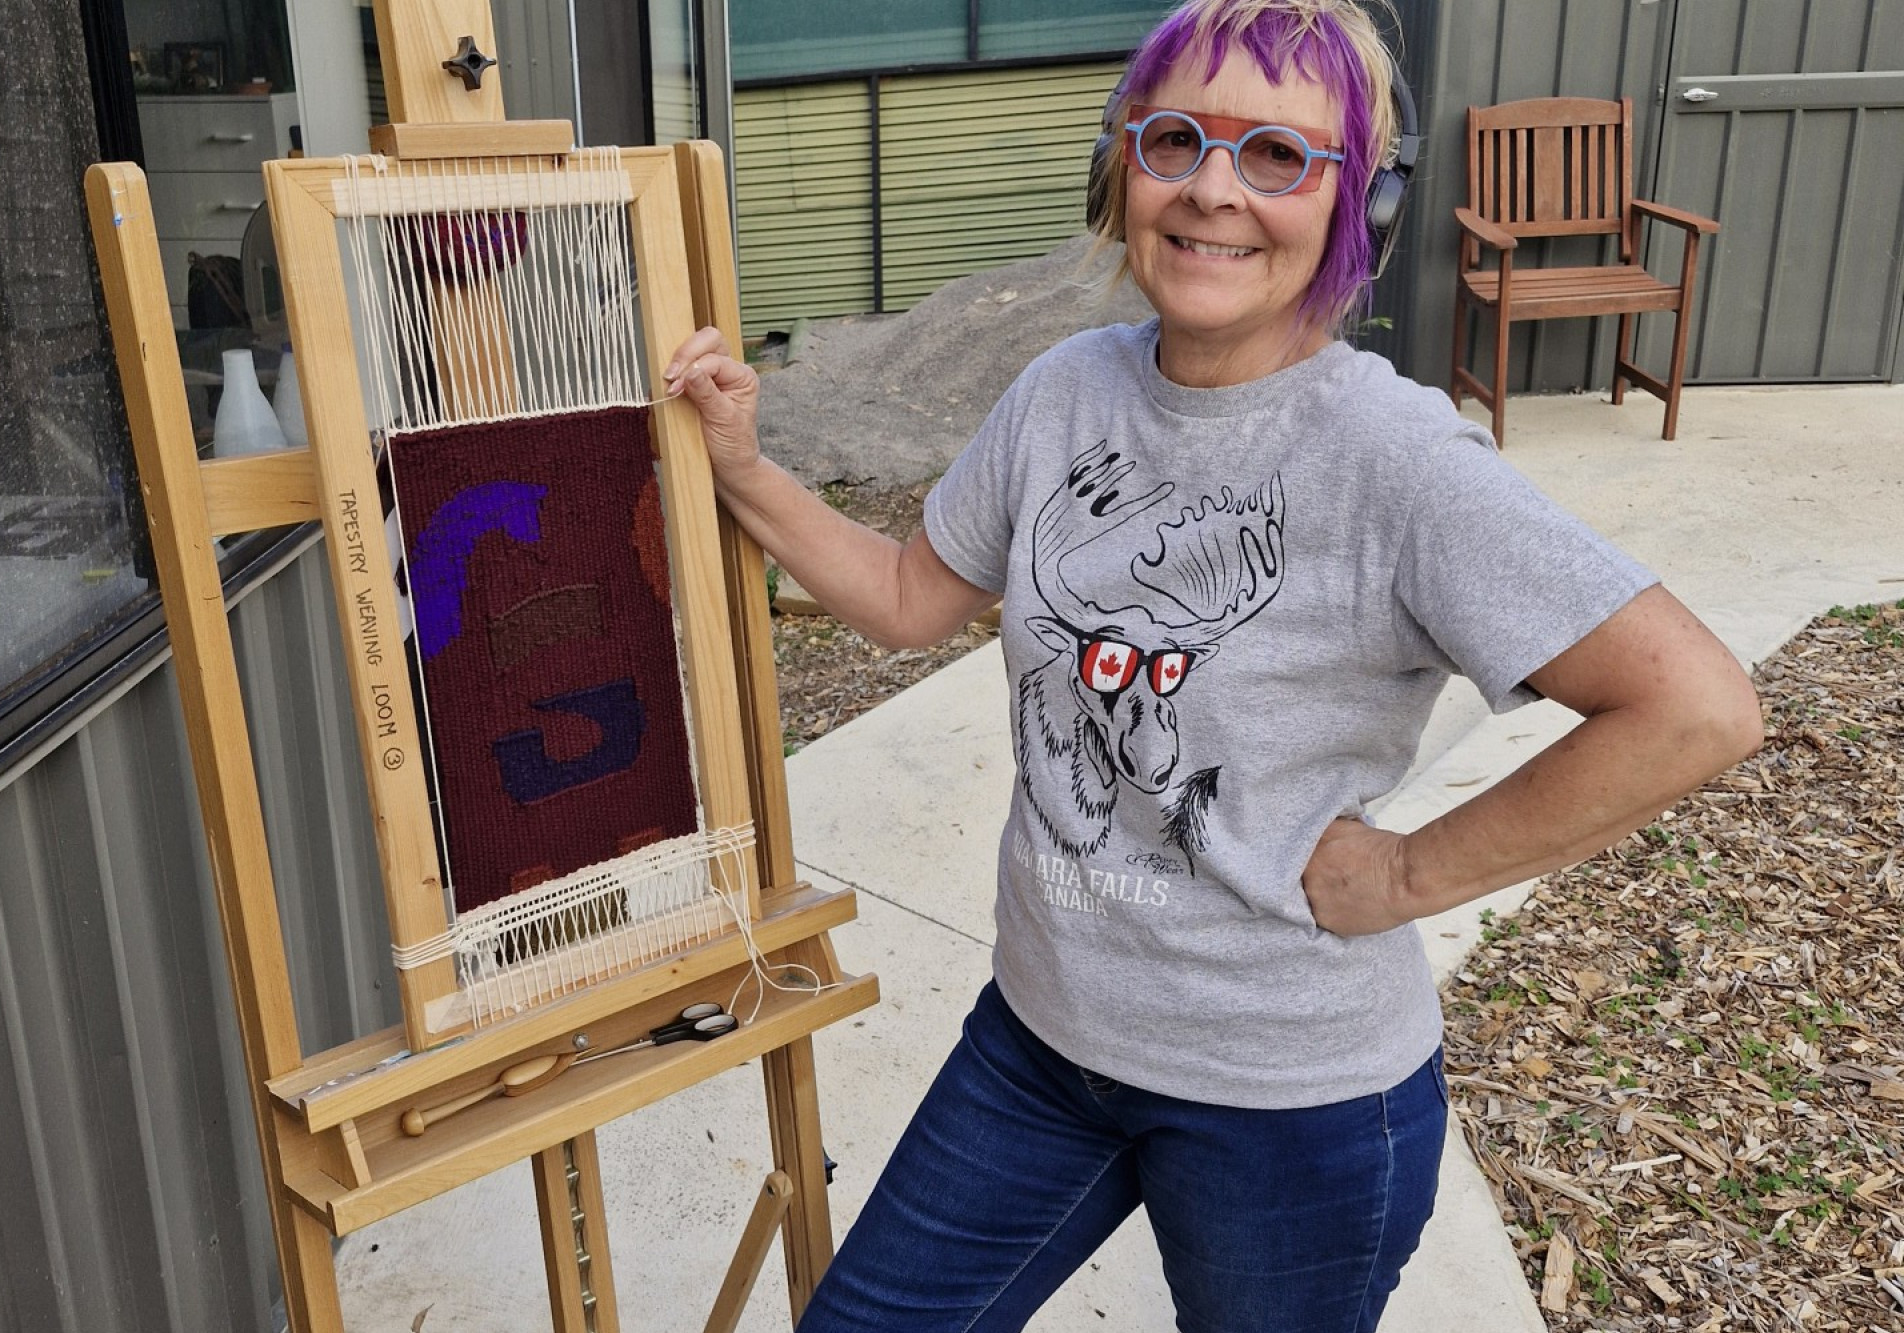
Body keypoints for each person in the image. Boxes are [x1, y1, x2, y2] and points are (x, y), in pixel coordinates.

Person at [665, 2, 1762, 1328]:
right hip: (1044, 1045)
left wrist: (1411, 870)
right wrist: (742, 469)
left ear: (1360, 204)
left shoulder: (1393, 458)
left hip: (1291, 1108)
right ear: (1123, 167)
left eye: (1280, 156)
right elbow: (907, 597)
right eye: (1176, 139)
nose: (1213, 191)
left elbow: (1695, 705)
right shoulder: (1064, 391)